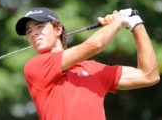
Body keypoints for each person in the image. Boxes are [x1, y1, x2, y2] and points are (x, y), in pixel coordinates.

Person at [15, 7, 160, 120]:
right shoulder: (35, 66)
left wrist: (136, 23)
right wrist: (119, 21)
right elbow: (95, 45)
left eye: (39, 26)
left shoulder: (93, 69)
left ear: (58, 29)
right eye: (29, 32)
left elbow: (149, 76)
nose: (33, 33)